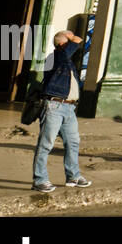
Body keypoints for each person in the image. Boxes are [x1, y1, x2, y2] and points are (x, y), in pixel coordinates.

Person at [32, 30, 91, 192]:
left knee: (73, 142)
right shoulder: (56, 57)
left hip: (69, 107)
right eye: (70, 38)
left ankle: (73, 175)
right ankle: (39, 179)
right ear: (62, 44)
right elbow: (77, 41)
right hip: (54, 106)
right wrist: (74, 39)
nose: (74, 39)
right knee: (46, 144)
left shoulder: (67, 60)